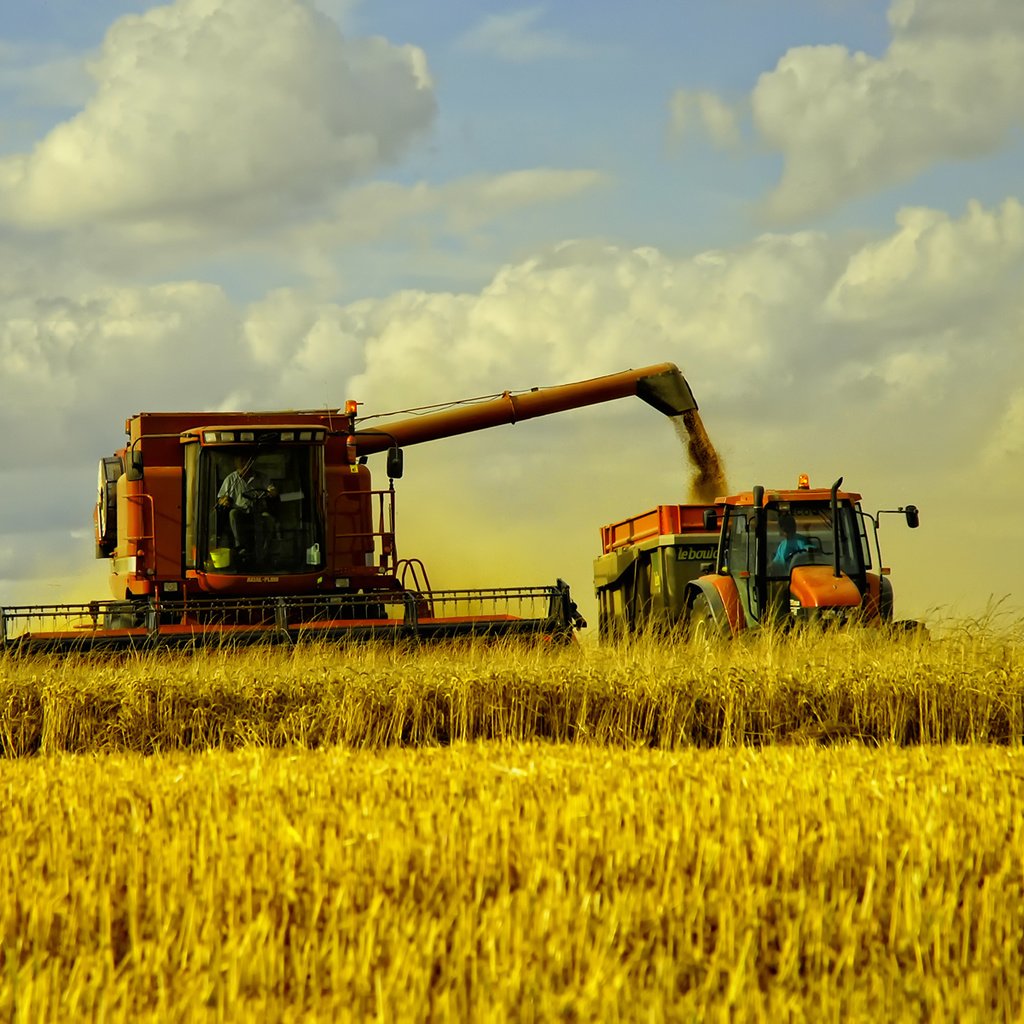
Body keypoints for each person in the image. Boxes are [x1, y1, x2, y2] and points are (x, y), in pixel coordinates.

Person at [217, 454, 277, 557]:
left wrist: (272, 491)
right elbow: (221, 499)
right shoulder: (231, 479)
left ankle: (266, 550)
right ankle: (240, 547)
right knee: (233, 514)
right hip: (241, 513)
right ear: (236, 463)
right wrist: (224, 500)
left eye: (246, 461)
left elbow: (272, 490)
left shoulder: (262, 477)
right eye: (241, 461)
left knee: (269, 519)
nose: (244, 464)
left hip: (259, 512)